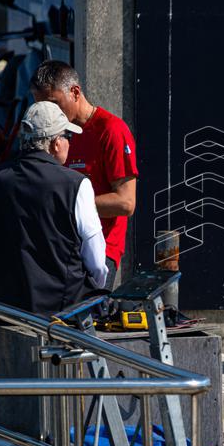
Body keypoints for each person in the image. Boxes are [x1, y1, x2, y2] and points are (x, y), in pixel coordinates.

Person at [0, 101, 108, 312]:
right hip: (63, 309)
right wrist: (96, 286)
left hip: (0, 306)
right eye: (68, 136)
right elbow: (96, 259)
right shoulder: (76, 184)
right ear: (56, 143)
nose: (69, 143)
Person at [30, 60, 138, 289]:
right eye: (39, 106)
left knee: (83, 318)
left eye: (53, 103)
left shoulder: (111, 131)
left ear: (75, 92)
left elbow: (126, 203)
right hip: (58, 245)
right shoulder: (51, 132)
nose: (47, 113)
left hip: (99, 250)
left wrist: (71, 207)